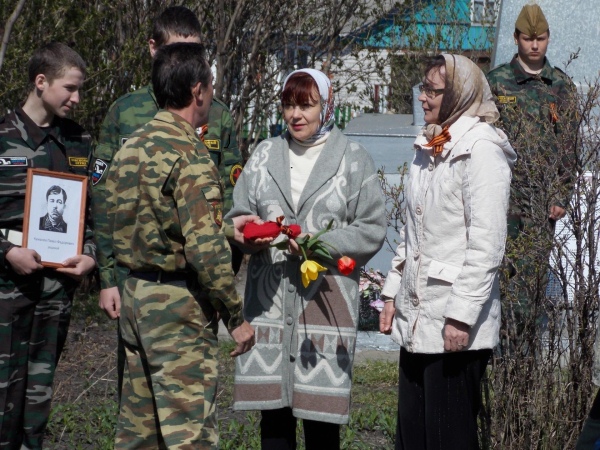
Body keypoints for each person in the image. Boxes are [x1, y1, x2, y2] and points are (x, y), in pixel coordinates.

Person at [226, 68, 386, 449]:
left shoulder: (353, 159)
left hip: (325, 309)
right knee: (274, 426)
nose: (295, 115)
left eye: (306, 106)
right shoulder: (264, 154)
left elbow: (372, 227)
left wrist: (318, 243)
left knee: (322, 429)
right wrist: (248, 234)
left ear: (326, 107)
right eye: (288, 105)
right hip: (269, 307)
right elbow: (239, 215)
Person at [106, 42, 255, 449]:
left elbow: (134, 221)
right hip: (177, 309)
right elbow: (205, 252)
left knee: (139, 436)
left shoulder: (131, 147)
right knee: (190, 436)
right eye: (210, 85)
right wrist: (235, 317)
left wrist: (225, 227)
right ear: (198, 91)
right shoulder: (191, 155)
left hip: (136, 296)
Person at [92, 5, 245, 397]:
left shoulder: (147, 141)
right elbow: (105, 202)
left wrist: (230, 237)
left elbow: (216, 205)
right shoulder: (175, 143)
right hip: (174, 300)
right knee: (185, 423)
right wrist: (234, 311)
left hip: (159, 292)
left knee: (140, 422)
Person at [378, 54, 516, 450]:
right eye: (423, 88)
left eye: (433, 91)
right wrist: (391, 294)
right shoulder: (430, 142)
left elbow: (487, 244)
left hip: (455, 326)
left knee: (448, 438)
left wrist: (461, 316)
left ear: (459, 95)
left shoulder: (482, 149)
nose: (422, 97)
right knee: (413, 437)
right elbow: (412, 231)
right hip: (418, 318)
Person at [0, 42, 96, 450]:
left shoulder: (79, 141)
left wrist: (90, 254)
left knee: (37, 404)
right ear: (41, 82)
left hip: (55, 293)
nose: (76, 98)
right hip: (7, 292)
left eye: (80, 90)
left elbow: (93, 209)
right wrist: (7, 252)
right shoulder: (3, 136)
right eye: (70, 88)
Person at [486, 3, 577, 345]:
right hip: (502, 195)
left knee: (533, 278)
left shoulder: (561, 85)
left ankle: (526, 356)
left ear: (548, 38)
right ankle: (499, 353)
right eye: (528, 38)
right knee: (499, 273)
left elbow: (569, 146)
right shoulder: (497, 82)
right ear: (516, 38)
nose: (535, 45)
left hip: (540, 202)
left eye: (540, 38)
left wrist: (561, 195)